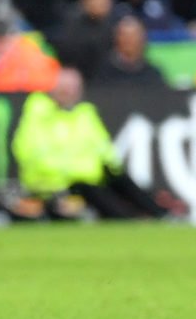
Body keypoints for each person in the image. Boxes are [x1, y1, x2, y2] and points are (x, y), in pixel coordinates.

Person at [11, 69, 169, 219]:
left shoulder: (84, 114)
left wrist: (109, 167)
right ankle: (130, 219)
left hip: (89, 176)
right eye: (64, 88)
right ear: (53, 90)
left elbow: (103, 147)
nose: (68, 93)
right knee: (96, 193)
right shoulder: (38, 115)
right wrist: (79, 170)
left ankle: (159, 214)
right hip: (55, 182)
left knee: (120, 179)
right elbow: (29, 152)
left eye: (72, 88)